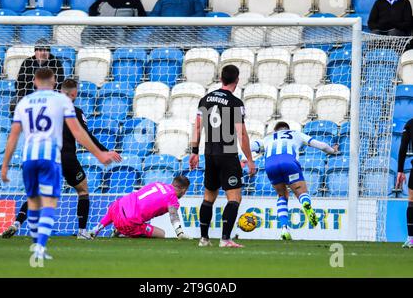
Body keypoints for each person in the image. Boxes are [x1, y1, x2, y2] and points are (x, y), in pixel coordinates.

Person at [1, 68, 120, 262]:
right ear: (74, 94)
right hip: (66, 158)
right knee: (83, 191)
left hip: (39, 155)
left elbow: (16, 133)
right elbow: (84, 135)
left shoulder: (39, 106)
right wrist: (102, 152)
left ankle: (17, 223)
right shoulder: (73, 110)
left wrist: (5, 165)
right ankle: (81, 230)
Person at [189, 65, 256, 248]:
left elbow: (196, 128)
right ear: (237, 80)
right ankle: (225, 239)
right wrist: (249, 160)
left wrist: (194, 153)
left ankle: (204, 239)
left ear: (221, 78)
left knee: (209, 196)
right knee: (234, 197)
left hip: (209, 154)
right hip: (227, 155)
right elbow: (241, 134)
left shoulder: (205, 99)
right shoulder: (235, 102)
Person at [250, 121, 338, 240]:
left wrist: (246, 158)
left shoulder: (267, 138)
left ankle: (284, 228)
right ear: (287, 129)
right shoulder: (296, 134)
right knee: (300, 192)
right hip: (289, 163)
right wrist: (332, 150)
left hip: (270, 166)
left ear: (276, 131)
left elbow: (250, 146)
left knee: (282, 195)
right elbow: (321, 145)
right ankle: (306, 204)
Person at [90, 176, 192, 239]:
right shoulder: (172, 197)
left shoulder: (158, 183)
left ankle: (96, 229)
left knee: (121, 209)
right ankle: (123, 232)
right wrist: (180, 233)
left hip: (117, 206)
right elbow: (173, 216)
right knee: (161, 234)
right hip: (129, 222)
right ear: (183, 190)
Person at [395, 118, 413, 248]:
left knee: (412, 201)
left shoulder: (410, 123)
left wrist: (400, 170)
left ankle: (411, 238)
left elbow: (403, 147)